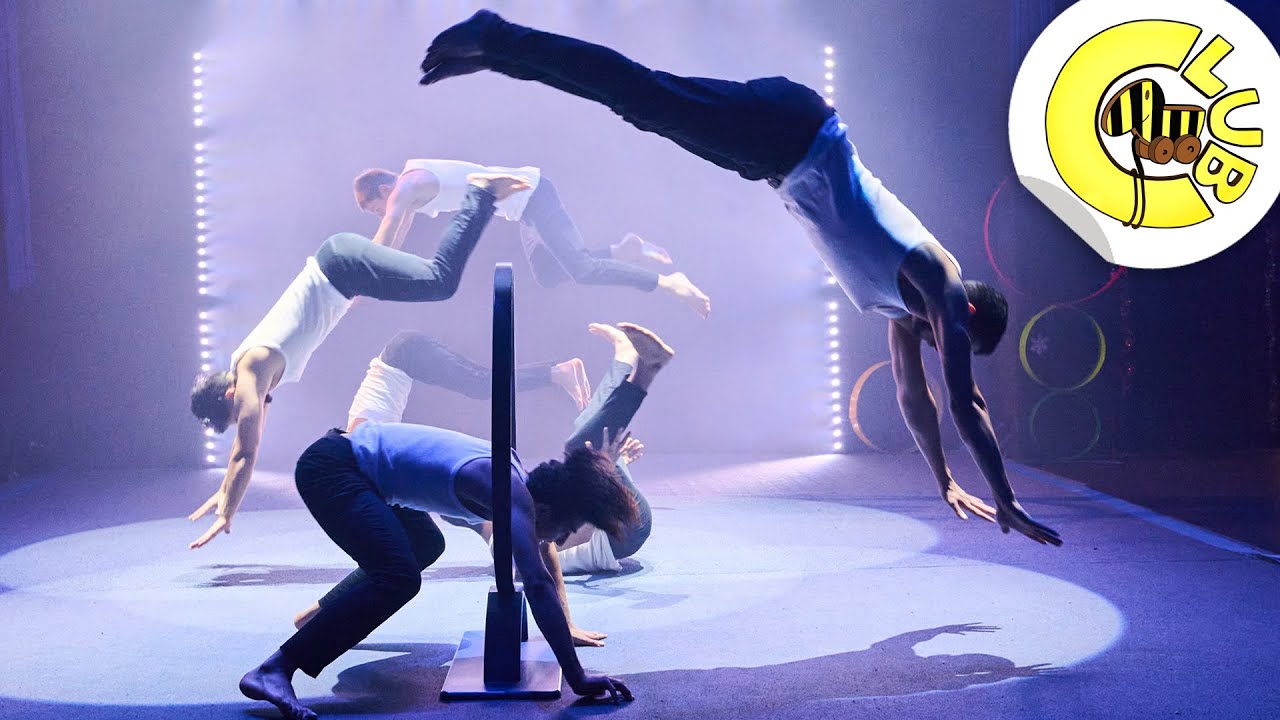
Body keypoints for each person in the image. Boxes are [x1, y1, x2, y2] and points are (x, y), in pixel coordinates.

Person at [418, 11, 1060, 546]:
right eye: (952, 344)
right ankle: (497, 39)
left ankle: (499, 51)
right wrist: (1006, 496)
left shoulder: (903, 312)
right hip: (792, 128)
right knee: (641, 95)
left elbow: (914, 400)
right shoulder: (938, 278)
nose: (932, 346)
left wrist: (944, 477)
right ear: (965, 319)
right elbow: (964, 403)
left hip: (774, 157)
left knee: (640, 104)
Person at [237, 322, 672, 718]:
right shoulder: (509, 490)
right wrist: (577, 678)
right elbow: (537, 583)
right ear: (544, 511)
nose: (556, 541)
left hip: (361, 474)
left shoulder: (515, 482)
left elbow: (540, 564)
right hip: (333, 468)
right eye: (560, 531)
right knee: (399, 577)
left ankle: (325, 615)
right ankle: (277, 667)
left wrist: (568, 624)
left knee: (425, 546)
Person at [186, 173, 529, 550]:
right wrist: (225, 489)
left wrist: (227, 508)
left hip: (340, 267)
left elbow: (245, 452)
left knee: (439, 281)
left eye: (237, 410)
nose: (248, 413)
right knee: (417, 273)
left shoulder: (250, 368)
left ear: (231, 392)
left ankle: (480, 194)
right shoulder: (257, 376)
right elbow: (250, 443)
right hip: (344, 272)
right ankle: (412, 202)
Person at [289, 323, 659, 640]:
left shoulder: (497, 508)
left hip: (618, 535)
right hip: (621, 534)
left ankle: (634, 372)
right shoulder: (504, 512)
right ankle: (634, 373)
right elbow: (543, 570)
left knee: (587, 449)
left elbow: (544, 566)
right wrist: (566, 629)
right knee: (586, 448)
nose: (556, 538)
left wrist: (322, 610)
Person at [354, 159, 711, 317]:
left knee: (582, 269)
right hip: (523, 212)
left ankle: (668, 282)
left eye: (374, 208)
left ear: (385, 189)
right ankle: (623, 250)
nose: (379, 215)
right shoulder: (410, 192)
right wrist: (371, 282)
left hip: (536, 194)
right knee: (549, 274)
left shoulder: (407, 185)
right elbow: (393, 241)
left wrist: (358, 282)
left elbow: (386, 234)